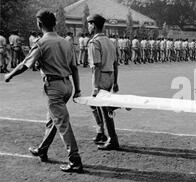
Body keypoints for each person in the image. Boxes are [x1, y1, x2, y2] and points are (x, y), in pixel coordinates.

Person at [5, 9, 83, 173]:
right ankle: (42, 149)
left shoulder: (41, 43)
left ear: (39, 24)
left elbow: (25, 65)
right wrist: (77, 90)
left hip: (53, 86)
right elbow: (74, 68)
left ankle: (75, 159)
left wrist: (10, 75)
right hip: (67, 85)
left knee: (62, 123)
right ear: (54, 23)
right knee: (52, 120)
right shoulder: (66, 42)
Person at [87, 14, 120, 150]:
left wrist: (95, 87)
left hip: (101, 77)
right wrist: (115, 82)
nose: (88, 27)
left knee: (102, 107)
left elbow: (97, 66)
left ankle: (111, 138)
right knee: (98, 106)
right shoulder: (109, 41)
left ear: (93, 25)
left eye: (89, 24)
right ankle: (102, 132)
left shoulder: (95, 42)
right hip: (110, 75)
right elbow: (115, 64)